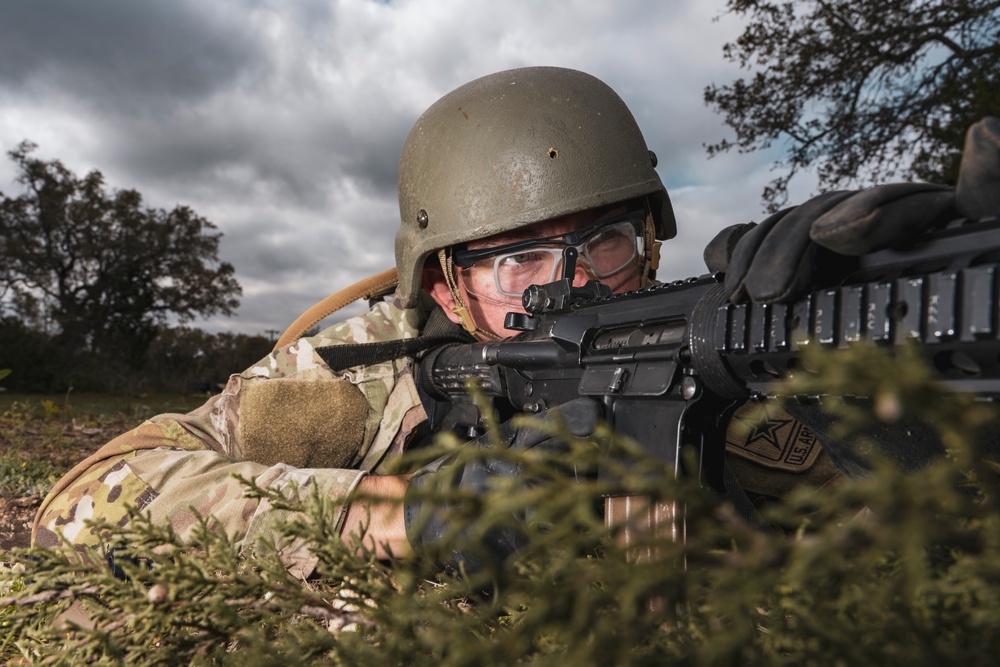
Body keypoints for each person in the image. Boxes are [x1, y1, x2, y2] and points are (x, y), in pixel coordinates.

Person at [31, 66, 998, 577]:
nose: (572, 284)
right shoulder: (374, 369)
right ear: (446, 285)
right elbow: (93, 493)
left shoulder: (723, 345)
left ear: (650, 244)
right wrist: (412, 515)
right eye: (518, 258)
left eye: (604, 242)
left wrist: (886, 367)